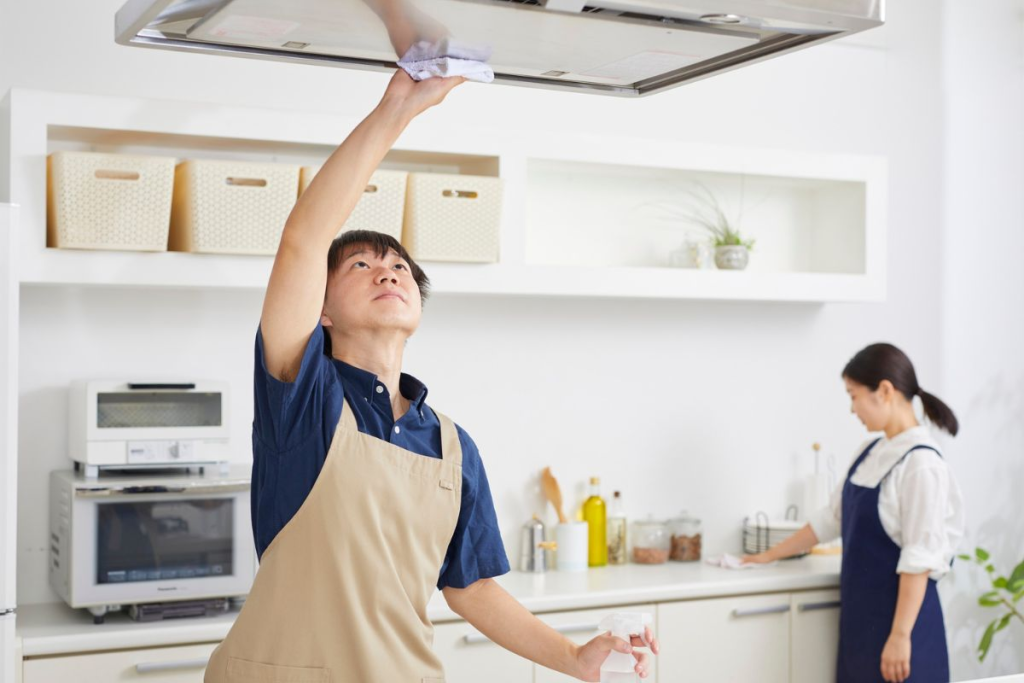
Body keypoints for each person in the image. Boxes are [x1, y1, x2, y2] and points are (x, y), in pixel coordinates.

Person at [204, 70, 658, 682]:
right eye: (361, 264)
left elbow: (470, 589)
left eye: (399, 267)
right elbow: (302, 240)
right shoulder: (302, 398)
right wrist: (399, 108)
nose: (387, 273)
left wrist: (573, 657)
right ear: (323, 310)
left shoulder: (451, 448)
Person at [744, 343, 964, 683]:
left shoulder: (922, 465)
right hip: (860, 633)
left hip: (903, 637)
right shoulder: (871, 451)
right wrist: (768, 556)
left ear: (885, 391)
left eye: (854, 395)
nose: (851, 408)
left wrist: (900, 637)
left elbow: (920, 560)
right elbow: (829, 520)